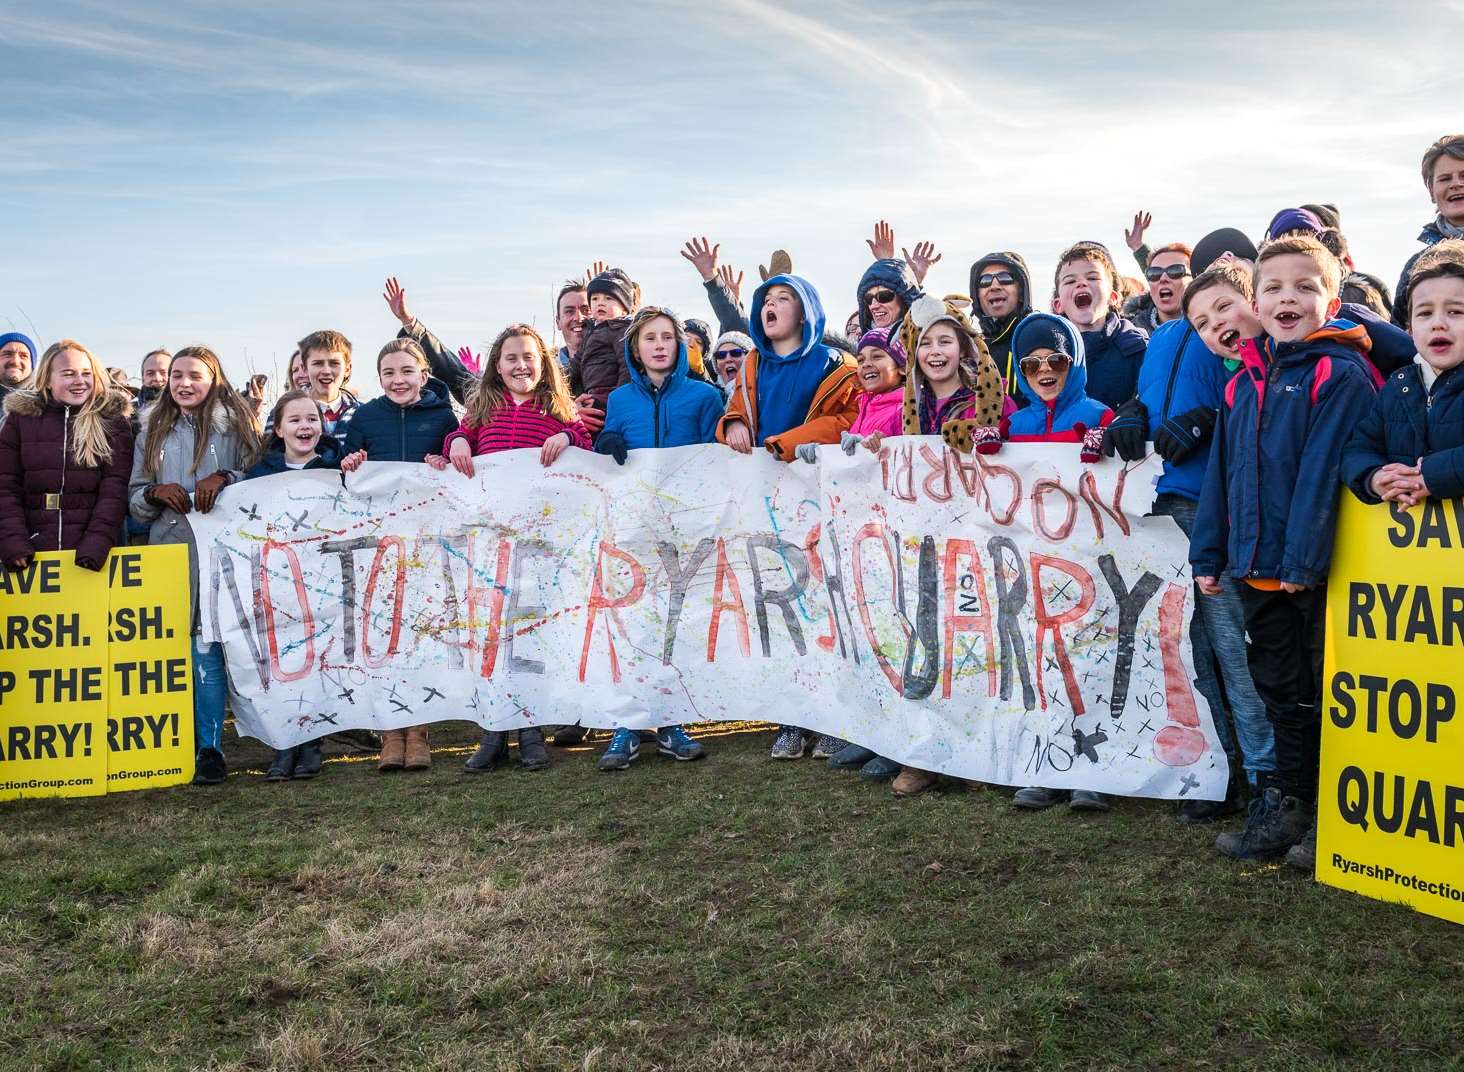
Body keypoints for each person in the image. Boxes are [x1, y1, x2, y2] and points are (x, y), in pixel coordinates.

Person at [1191, 235, 1378, 863]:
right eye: (1272, 288)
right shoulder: (1243, 380)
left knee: (1327, 692)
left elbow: (1325, 472)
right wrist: (1209, 555)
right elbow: (1222, 473)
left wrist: (1302, 562)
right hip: (1256, 569)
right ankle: (1293, 805)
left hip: (1313, 574)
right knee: (1281, 691)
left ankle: (1334, 814)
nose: (1287, 297)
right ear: (1256, 299)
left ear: (1331, 298)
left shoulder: (1339, 371)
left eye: (1304, 286)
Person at [1106, 264, 1277, 819]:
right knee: (1187, 652)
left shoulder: (1243, 333)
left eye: (1179, 272)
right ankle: (1218, 773)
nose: (1168, 281)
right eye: (1158, 273)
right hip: (1157, 503)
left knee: (1234, 647)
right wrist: (1132, 413)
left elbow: (1252, 390)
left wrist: (1208, 419)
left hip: (1213, 501)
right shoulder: (1161, 336)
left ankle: (1264, 776)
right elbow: (1152, 397)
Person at [960, 313, 1114, 811]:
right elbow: (991, 472)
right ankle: (1048, 765)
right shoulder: (1016, 423)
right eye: (1031, 363)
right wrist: (989, 448)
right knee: (1040, 664)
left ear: (1076, 363)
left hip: (1087, 565)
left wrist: (1107, 445)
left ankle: (1096, 771)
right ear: (1018, 371)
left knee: (1090, 663)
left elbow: (1125, 474)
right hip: (1032, 568)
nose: (1044, 370)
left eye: (1056, 360)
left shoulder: (1098, 414)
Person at [427, 324, 591, 772]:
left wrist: (569, 438)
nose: (521, 366)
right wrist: (456, 442)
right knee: (492, 635)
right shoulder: (483, 410)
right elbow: (458, 443)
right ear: (497, 367)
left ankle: (530, 728)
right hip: (489, 544)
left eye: (529, 358)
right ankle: (494, 731)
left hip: (539, 545)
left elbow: (588, 446)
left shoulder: (557, 409)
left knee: (530, 634)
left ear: (544, 366)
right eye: (511, 359)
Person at [717, 272, 859, 759]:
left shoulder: (839, 366)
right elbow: (738, 405)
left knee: (826, 605)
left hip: (821, 505)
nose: (770, 307)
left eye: (783, 299)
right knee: (779, 607)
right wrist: (732, 421)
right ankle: (792, 719)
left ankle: (834, 720)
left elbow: (846, 421)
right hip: (766, 506)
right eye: (765, 300)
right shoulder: (753, 364)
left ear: (806, 311)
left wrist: (789, 442)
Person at [591, 308, 722, 770]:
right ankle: (628, 727)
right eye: (651, 338)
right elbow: (607, 450)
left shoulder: (705, 397)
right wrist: (605, 442)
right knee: (634, 625)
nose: (661, 345)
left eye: (669, 337)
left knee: (675, 626)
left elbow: (716, 458)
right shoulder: (620, 399)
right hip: (633, 529)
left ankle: (672, 724)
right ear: (635, 347)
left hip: (684, 530)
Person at [129, 346, 261, 786]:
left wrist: (225, 478)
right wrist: (152, 494)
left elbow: (262, 480)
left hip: (225, 550)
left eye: (195, 376)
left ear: (213, 379)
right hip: (169, 550)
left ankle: (219, 744)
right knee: (182, 646)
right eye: (177, 375)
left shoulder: (235, 423)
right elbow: (134, 493)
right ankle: (189, 745)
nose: (184, 383)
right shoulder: (150, 428)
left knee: (218, 645)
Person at [337, 339, 460, 774]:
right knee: (384, 634)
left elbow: (459, 459)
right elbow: (344, 468)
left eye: (407, 371)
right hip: (380, 545)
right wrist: (351, 461)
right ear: (379, 377)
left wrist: (441, 460)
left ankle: (419, 731)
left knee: (422, 634)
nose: (398, 380)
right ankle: (390, 731)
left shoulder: (443, 416)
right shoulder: (366, 416)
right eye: (389, 373)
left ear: (424, 375)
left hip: (427, 543)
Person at [243, 389, 343, 782]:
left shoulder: (337, 470)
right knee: (281, 661)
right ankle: (283, 746)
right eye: (296, 420)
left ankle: (312, 743)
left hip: (321, 583)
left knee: (316, 662)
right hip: (276, 585)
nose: (306, 427)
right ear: (280, 428)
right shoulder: (258, 476)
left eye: (313, 419)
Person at [1342, 240, 1464, 512]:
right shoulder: (1399, 387)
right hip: (1416, 553)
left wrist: (1431, 476)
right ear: (1409, 329)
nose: (1438, 323)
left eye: (1455, 312)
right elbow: (1357, 449)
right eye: (1424, 313)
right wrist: (1375, 478)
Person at [0, 340, 134, 573]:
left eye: (86, 373)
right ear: (48, 380)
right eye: (69, 374)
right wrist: (13, 542)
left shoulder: (112, 421)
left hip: (94, 552)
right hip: (31, 548)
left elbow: (115, 489)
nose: (80, 381)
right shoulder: (20, 419)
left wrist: (96, 544)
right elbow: (5, 485)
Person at [1051, 241, 1148, 409]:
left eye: (1093, 277)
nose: (1081, 283)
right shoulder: (1047, 353)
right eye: (1069, 281)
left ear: (1113, 298)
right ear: (1058, 305)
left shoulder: (1139, 348)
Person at [1394, 135, 1464, 326]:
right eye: (1444, 178)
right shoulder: (1416, 266)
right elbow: (1401, 339)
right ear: (1432, 192)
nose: (1456, 183)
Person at [570, 267, 640, 437]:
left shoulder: (620, 329)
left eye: (609, 298)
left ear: (624, 309)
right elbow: (576, 364)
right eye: (595, 299)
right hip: (590, 394)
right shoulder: (590, 331)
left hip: (609, 395)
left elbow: (626, 365)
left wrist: (617, 399)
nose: (600, 303)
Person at [968, 252, 1033, 402]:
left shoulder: (1036, 337)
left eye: (1005, 278)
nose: (994, 286)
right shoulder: (970, 348)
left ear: (1022, 292)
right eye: (984, 281)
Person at [297, 329, 361, 441]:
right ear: (305, 368)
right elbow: (271, 455)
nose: (326, 371)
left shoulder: (362, 414)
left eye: (334, 363)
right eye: (318, 363)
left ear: (347, 369)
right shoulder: (286, 411)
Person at [1125, 243, 1192, 334]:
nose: (1163, 279)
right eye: (1154, 273)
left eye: (1175, 271)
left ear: (1195, 279)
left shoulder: (1211, 329)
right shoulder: (1129, 333)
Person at [555, 280, 590, 372]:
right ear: (558, 322)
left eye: (586, 310)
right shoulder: (547, 374)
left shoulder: (617, 362)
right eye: (569, 311)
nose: (578, 318)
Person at [0, 332, 37, 401]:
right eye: (7, 354)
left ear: (32, 364)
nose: (15, 361)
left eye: (23, 356)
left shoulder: (50, 403)